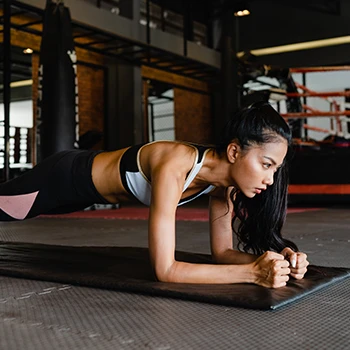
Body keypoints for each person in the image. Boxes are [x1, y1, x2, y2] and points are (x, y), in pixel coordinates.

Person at [0, 101, 308, 288]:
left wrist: (276, 261)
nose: (269, 178)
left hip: (87, 196)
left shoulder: (223, 187)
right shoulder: (175, 165)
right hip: (64, 176)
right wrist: (253, 275)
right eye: (266, 164)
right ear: (233, 151)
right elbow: (166, 270)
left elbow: (222, 255)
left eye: (275, 169)